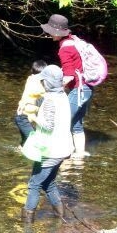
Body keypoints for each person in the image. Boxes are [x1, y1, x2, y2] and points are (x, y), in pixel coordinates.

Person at [21, 65, 73, 223]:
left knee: (34, 184)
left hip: (51, 151)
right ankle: (61, 216)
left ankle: (26, 222)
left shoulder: (50, 99)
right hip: (64, 148)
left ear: (48, 82)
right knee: (48, 183)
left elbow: (48, 125)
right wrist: (37, 108)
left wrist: (32, 116)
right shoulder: (63, 95)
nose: (42, 83)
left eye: (43, 80)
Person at [41, 14, 94, 158]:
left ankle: (65, 154)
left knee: (62, 121)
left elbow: (69, 75)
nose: (48, 33)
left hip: (79, 90)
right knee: (76, 123)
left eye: (50, 30)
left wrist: (53, 89)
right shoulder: (73, 40)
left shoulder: (65, 49)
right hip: (87, 88)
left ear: (57, 32)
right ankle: (80, 155)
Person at [14, 60, 47, 147]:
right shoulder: (35, 82)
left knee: (25, 141)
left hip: (24, 116)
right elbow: (44, 93)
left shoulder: (31, 78)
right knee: (33, 140)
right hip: (22, 118)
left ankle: (20, 153)